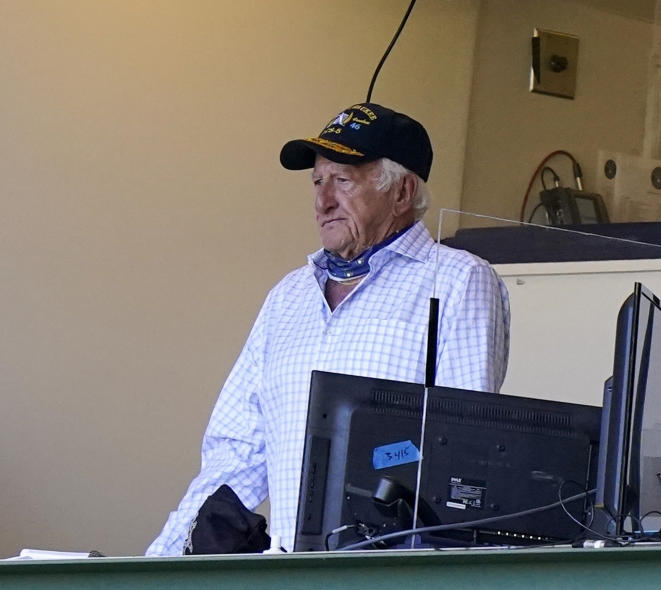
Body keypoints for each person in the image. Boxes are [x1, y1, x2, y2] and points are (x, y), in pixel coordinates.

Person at [146, 102, 509, 555]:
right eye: (318, 182)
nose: (323, 201)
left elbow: (464, 449)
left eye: (343, 180)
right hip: (289, 572)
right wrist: (157, 562)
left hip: (393, 573)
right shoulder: (288, 296)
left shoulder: (458, 281)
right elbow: (236, 453)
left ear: (401, 192)